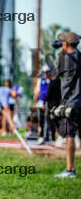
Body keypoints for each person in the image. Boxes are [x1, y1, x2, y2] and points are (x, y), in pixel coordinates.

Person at [53, 31, 81, 178]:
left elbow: (54, 74)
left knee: (70, 135)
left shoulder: (65, 59)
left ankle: (70, 169)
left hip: (71, 102)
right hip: (79, 100)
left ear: (66, 44)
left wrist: (60, 54)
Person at [33, 65, 55, 144]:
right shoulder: (40, 80)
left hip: (50, 102)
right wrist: (35, 102)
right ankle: (42, 136)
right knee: (41, 119)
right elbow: (38, 91)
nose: (46, 74)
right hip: (41, 101)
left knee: (50, 120)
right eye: (45, 72)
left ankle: (52, 137)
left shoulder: (52, 81)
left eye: (47, 72)